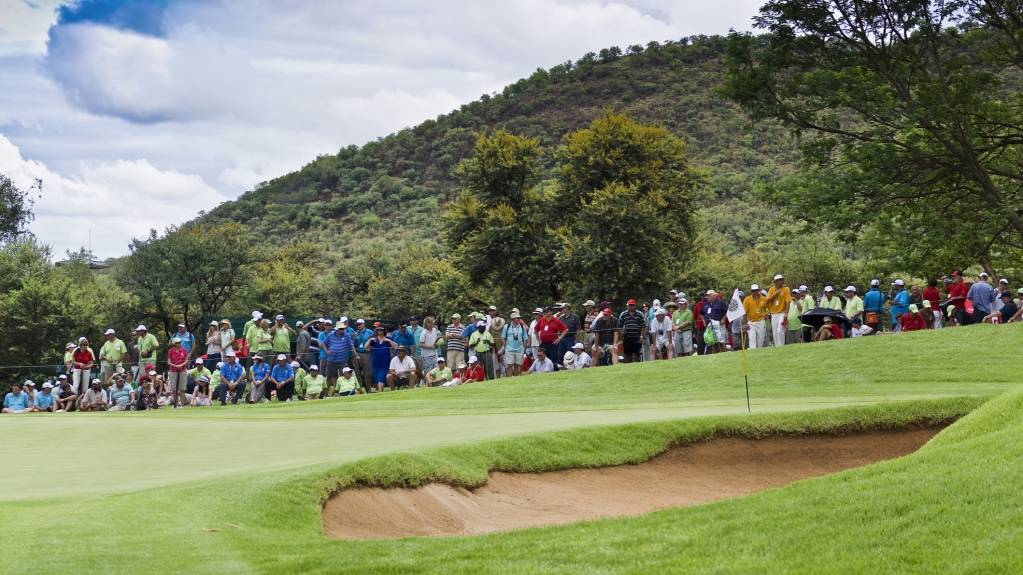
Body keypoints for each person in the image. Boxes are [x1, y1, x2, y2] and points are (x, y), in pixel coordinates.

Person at [323, 323, 357, 395]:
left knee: (343, 375)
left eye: (343, 329)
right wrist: (327, 351)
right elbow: (324, 343)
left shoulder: (347, 335)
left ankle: (342, 390)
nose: (342, 330)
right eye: (341, 329)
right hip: (332, 359)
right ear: (337, 329)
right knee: (332, 376)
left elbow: (351, 345)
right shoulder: (330, 335)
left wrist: (356, 354)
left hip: (343, 359)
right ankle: (334, 391)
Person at [765, 274, 792, 347]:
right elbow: (767, 300)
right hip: (773, 314)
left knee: (780, 330)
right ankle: (777, 347)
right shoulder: (771, 289)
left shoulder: (786, 290)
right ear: (775, 282)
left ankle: (781, 346)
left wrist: (786, 314)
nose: (781, 281)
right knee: (775, 332)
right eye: (779, 280)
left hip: (782, 313)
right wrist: (775, 294)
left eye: (782, 280)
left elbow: (788, 302)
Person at [367, 327, 397, 392]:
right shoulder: (374, 340)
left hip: (385, 362)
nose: (379, 331)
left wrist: (389, 341)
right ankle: (381, 391)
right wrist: (369, 340)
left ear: (384, 331)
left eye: (381, 330)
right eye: (378, 330)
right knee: (377, 378)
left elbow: (395, 346)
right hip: (375, 362)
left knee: (381, 377)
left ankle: (380, 391)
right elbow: (365, 347)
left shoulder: (388, 338)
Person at [166, 338, 189, 408]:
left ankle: (182, 404)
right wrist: (175, 366)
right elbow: (169, 362)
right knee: (174, 389)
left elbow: (186, 360)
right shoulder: (170, 351)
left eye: (179, 342)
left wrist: (181, 365)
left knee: (182, 388)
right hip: (173, 371)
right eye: (177, 342)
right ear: (174, 344)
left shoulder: (184, 350)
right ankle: (175, 404)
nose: (179, 343)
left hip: (183, 370)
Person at [351, 319, 372, 391]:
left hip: (366, 354)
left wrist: (370, 348)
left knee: (367, 372)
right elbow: (352, 345)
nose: (358, 326)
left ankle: (368, 389)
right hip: (357, 353)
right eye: (357, 324)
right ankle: (359, 389)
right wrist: (355, 354)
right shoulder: (355, 333)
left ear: (363, 324)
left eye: (359, 324)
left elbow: (373, 341)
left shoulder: (369, 332)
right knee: (357, 372)